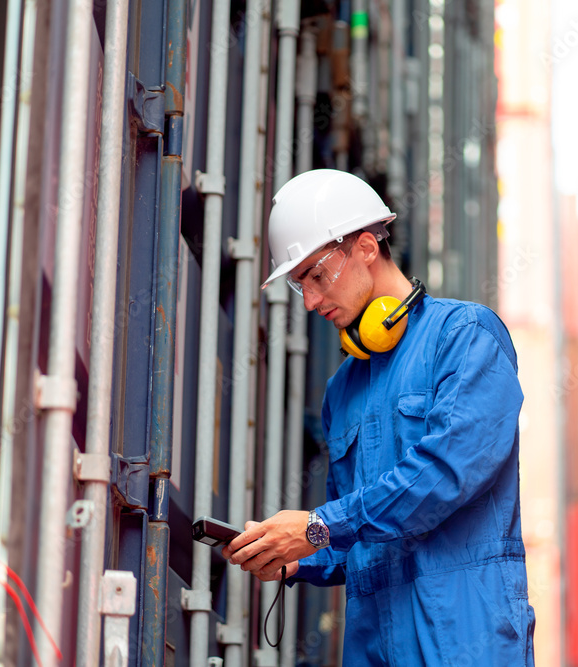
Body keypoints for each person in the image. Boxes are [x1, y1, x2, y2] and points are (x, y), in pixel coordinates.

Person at [222, 169, 535, 665]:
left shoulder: (466, 337)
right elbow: (354, 539)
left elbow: (444, 474)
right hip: (373, 648)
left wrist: (316, 526)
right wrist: (291, 556)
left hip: (463, 641)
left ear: (367, 247)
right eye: (300, 285)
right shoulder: (342, 390)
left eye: (317, 276)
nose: (311, 301)